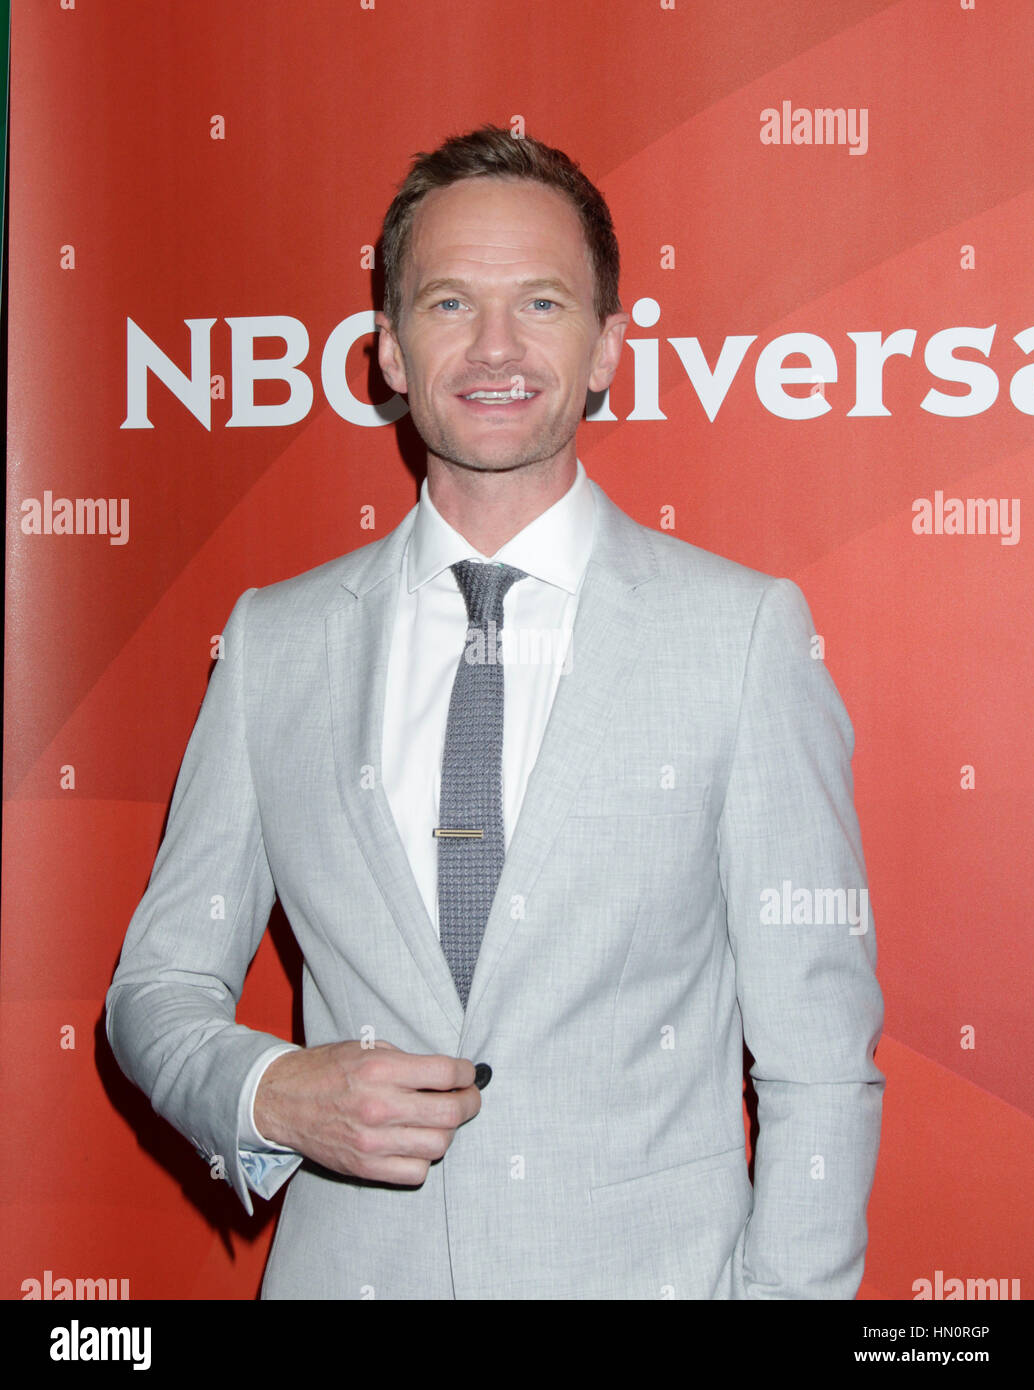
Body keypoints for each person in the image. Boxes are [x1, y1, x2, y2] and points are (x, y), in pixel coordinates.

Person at [106, 126, 884, 1300]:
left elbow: (820, 1058)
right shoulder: (276, 642)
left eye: (543, 302)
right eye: (450, 301)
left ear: (608, 347)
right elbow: (154, 990)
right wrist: (271, 1092)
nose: (496, 346)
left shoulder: (741, 635)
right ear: (389, 352)